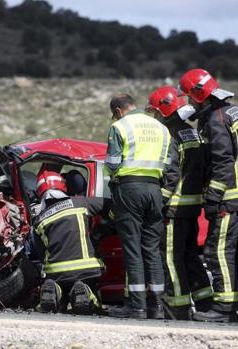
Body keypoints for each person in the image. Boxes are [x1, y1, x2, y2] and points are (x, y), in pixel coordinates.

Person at [147, 85, 213, 320]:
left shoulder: (170, 136)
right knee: (190, 256)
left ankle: (177, 305)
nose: (154, 117)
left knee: (171, 257)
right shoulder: (193, 133)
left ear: (164, 111)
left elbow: (171, 174)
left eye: (155, 112)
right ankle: (205, 302)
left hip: (174, 208)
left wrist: (159, 203)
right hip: (194, 206)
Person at [179, 68, 238, 322]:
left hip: (229, 198)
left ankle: (224, 309)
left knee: (219, 252)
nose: (189, 102)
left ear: (200, 95)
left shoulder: (216, 119)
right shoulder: (231, 112)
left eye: (190, 97)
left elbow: (223, 162)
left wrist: (213, 196)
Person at [104, 94, 170, 319]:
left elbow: (113, 165)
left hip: (130, 188)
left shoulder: (120, 126)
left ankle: (137, 307)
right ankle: (158, 306)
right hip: (155, 190)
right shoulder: (161, 127)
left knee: (132, 248)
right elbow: (169, 164)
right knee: (151, 248)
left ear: (118, 111)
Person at [33, 171, 110, 315]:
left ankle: (55, 290)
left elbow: (41, 254)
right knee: (90, 294)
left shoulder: (39, 220)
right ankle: (86, 291)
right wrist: (107, 226)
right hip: (87, 268)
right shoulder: (81, 203)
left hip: (56, 272)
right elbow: (110, 205)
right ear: (63, 187)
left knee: (59, 287)